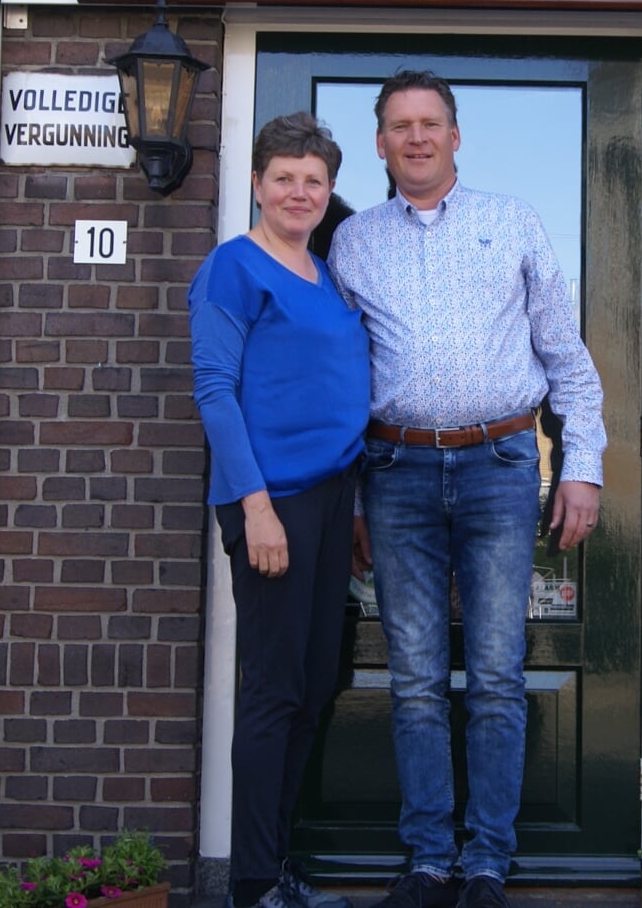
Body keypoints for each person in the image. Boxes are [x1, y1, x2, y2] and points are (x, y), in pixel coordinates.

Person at [328, 71, 606, 908]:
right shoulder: (354, 243)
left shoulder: (511, 222)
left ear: (456, 136)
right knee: (413, 677)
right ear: (379, 143)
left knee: (494, 673)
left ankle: (487, 859)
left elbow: (566, 358)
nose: (416, 137)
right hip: (395, 474)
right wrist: (346, 500)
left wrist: (582, 465)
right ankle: (427, 860)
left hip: (500, 469)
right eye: (399, 126)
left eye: (430, 123)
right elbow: (339, 382)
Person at [188, 113, 371, 908]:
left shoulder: (326, 274)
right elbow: (214, 394)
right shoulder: (235, 268)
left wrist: (355, 508)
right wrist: (255, 506)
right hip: (273, 501)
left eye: (314, 180)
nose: (300, 192)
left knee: (318, 678)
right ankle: (253, 883)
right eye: (284, 178)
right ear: (258, 185)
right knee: (272, 692)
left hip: (333, 501)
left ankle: (277, 862)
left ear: (330, 192)